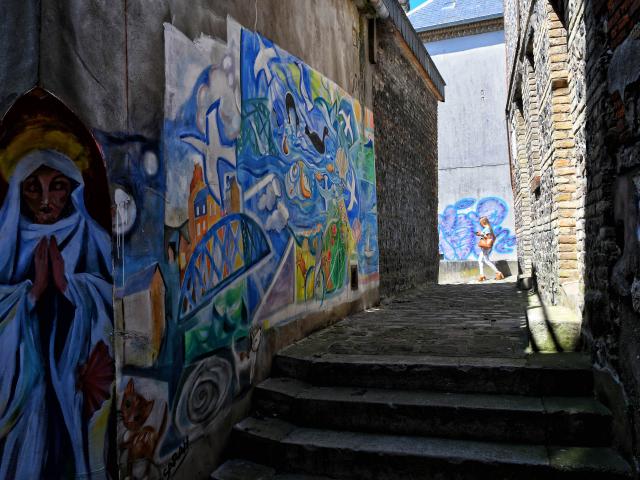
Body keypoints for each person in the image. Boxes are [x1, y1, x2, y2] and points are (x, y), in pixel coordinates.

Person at [0, 149, 113, 479]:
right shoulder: (7, 239)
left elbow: (113, 297)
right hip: (26, 375)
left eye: (58, 186)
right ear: (19, 191)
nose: (46, 199)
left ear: (73, 191)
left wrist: (70, 287)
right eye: (34, 187)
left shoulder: (93, 236)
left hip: (74, 369)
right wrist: (31, 294)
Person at [475, 216, 505, 282]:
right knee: (480, 260)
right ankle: (482, 275)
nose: (480, 224)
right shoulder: (489, 228)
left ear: (483, 222)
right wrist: (491, 244)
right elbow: (494, 237)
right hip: (486, 247)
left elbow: (488, 237)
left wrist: (481, 234)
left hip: (485, 247)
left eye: (480, 223)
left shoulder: (487, 229)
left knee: (486, 260)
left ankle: (498, 273)